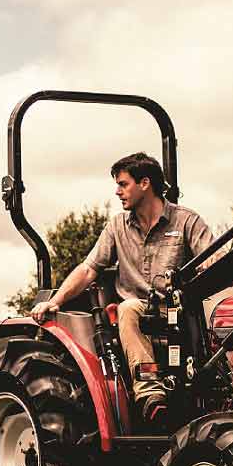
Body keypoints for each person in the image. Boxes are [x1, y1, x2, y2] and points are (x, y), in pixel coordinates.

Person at [28, 152, 212, 421]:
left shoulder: (186, 222)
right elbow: (90, 268)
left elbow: (214, 262)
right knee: (129, 308)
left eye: (123, 184)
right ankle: (150, 395)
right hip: (135, 313)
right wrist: (56, 300)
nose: (117, 192)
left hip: (182, 310)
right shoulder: (117, 227)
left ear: (145, 184)